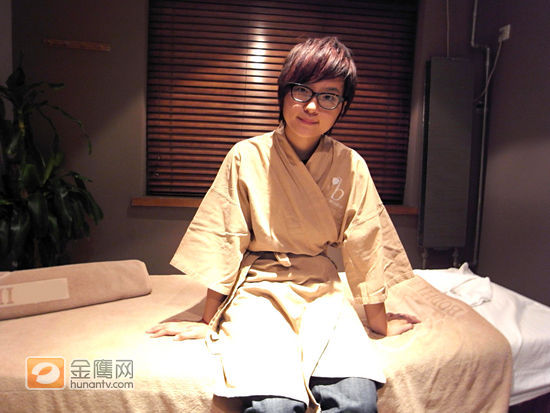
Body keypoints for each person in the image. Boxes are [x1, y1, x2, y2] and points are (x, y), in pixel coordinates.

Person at [147, 36, 419, 413]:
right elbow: (225, 238)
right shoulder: (246, 156)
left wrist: (379, 323)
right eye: (301, 90)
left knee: (357, 401)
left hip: (322, 289)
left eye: (329, 96)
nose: (312, 106)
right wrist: (209, 320)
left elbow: (367, 243)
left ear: (342, 107)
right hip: (260, 289)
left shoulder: (350, 165)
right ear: (283, 92)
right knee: (273, 406)